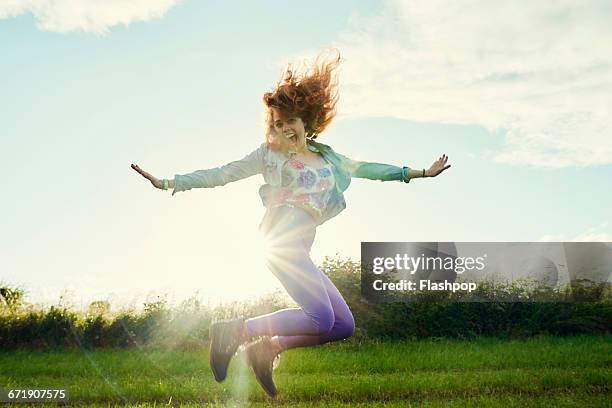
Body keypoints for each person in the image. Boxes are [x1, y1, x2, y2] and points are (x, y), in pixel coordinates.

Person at [131, 50, 451, 397]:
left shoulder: (329, 157)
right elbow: (222, 174)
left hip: (301, 248)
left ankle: (267, 348)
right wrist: (169, 182)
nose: (284, 129)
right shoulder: (268, 155)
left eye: (290, 122)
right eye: (277, 124)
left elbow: (369, 168)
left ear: (306, 120)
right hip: (280, 241)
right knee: (321, 319)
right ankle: (235, 332)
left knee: (342, 325)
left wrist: (418, 173)